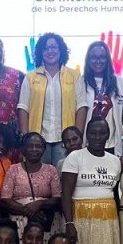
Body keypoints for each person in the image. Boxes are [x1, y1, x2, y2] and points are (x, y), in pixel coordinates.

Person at [17, 32, 80, 166]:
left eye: (53, 47)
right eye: (45, 48)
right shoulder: (30, 77)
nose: (50, 51)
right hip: (38, 141)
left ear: (61, 50)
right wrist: (25, 137)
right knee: (38, 180)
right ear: (40, 52)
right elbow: (23, 108)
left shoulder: (74, 76)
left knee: (64, 178)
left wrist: (77, 137)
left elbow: (81, 107)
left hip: (66, 140)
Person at [2, 132, 61, 237]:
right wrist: (28, 211)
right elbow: (6, 198)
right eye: (30, 146)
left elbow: (57, 198)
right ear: (23, 149)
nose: (34, 149)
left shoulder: (51, 170)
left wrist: (40, 204)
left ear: (44, 150)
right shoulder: (13, 169)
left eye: (38, 146)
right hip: (19, 220)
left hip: (45, 220)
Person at [74, 40, 123, 155]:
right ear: (88, 60)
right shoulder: (81, 82)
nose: (98, 61)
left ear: (107, 60)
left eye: (102, 57)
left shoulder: (118, 81)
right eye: (94, 57)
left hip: (111, 142)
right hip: (87, 143)